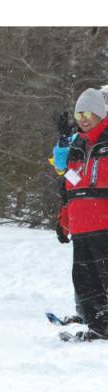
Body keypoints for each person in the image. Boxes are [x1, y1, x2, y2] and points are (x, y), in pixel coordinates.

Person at [56, 88, 108, 341]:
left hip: (105, 223)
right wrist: (64, 215)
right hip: (82, 226)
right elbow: (68, 182)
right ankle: (100, 328)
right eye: (79, 114)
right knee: (86, 282)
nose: (83, 118)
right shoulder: (77, 144)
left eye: (88, 113)